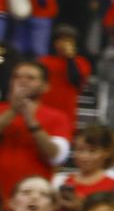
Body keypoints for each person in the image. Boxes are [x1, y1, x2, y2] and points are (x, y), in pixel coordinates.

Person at [0, 60, 72, 200]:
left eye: (30, 78)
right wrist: (12, 111)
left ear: (45, 87)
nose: (22, 81)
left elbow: (56, 156)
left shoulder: (58, 117)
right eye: (17, 77)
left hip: (33, 199)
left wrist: (32, 122)